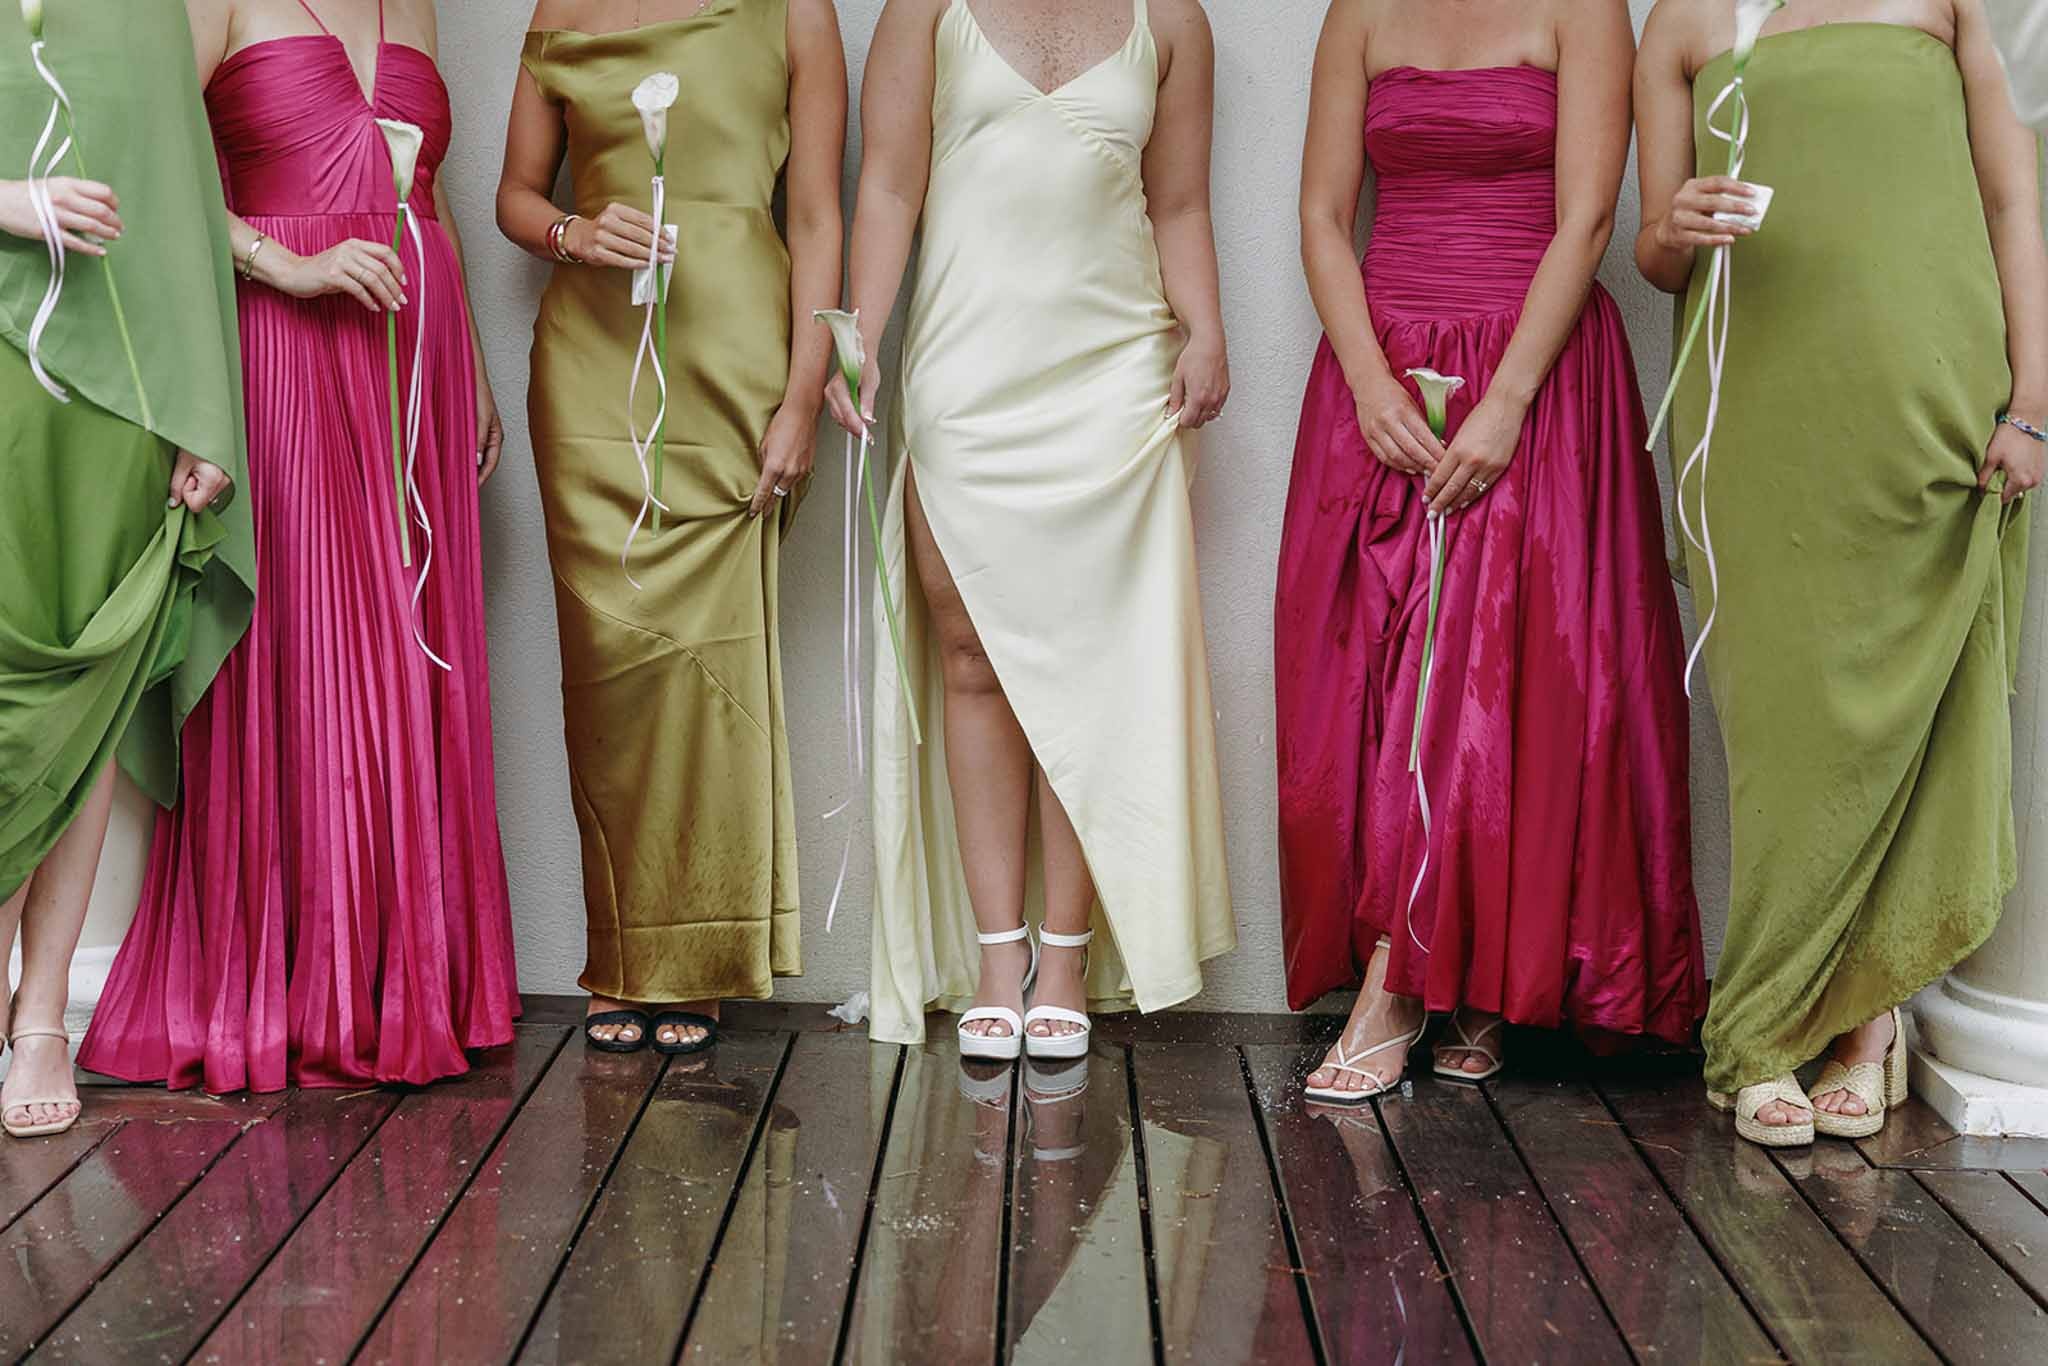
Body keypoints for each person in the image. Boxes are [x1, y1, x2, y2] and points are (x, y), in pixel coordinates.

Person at [78, 0, 520, 1093]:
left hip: (415, 358)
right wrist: (281, 264)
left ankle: (403, 984)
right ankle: (298, 984)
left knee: (412, 658)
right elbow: (142, 162)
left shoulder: (412, 5)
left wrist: (472, 366)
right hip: (280, 349)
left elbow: (425, 194)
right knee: (309, 652)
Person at [1278, 0, 1707, 1103]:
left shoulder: (1582, 9)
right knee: (1372, 684)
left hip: (1535, 376)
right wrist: (1368, 381)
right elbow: (1322, 214)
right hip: (1386, 374)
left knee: (1498, 687)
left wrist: (1508, 401)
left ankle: (1412, 984)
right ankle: (1448, 976)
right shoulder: (1361, 12)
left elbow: (1586, 219)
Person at [1637, 0, 2047, 1145]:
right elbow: (1654, 258)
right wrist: (1673, 224)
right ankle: (1769, 1020)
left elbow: (2011, 194)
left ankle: (1866, 1026)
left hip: (1926, 396)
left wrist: (2030, 399)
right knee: (1778, 729)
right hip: (1754, 416)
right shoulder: (1680, 23)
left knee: (1905, 712)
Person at [833, 0, 1235, 1055]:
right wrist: (858, 341)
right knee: (970, 653)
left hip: (1113, 373)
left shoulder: (1171, 19)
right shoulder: (925, 11)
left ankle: (1064, 953)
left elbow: (1179, 201)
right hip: (965, 369)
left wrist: (1205, 327)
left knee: (1088, 670)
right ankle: (993, 951)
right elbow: (888, 186)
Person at [497, 0, 847, 1054]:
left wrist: (802, 396)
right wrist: (570, 232)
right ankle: (622, 958)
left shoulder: (796, 12)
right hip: (591, 374)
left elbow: (817, 216)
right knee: (608, 668)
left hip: (736, 367)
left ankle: (699, 960)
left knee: (712, 663)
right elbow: (514, 196)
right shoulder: (560, 10)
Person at [0, 0, 254, 1136]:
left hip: (116, 400)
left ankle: (42, 1013)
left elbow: (177, 198)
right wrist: (6, 201)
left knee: (92, 689)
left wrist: (204, 413)